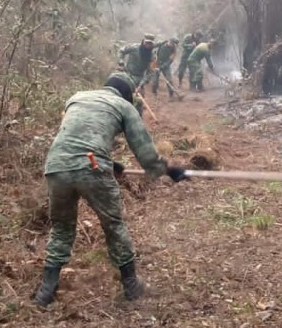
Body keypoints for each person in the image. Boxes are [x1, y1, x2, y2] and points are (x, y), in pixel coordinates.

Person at [31, 74, 187, 306]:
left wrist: (110, 164)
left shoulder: (76, 98)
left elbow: (76, 136)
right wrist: (167, 169)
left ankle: (46, 291)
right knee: (113, 225)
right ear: (127, 94)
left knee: (61, 227)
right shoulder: (124, 105)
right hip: (91, 166)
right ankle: (132, 286)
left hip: (56, 165)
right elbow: (145, 152)